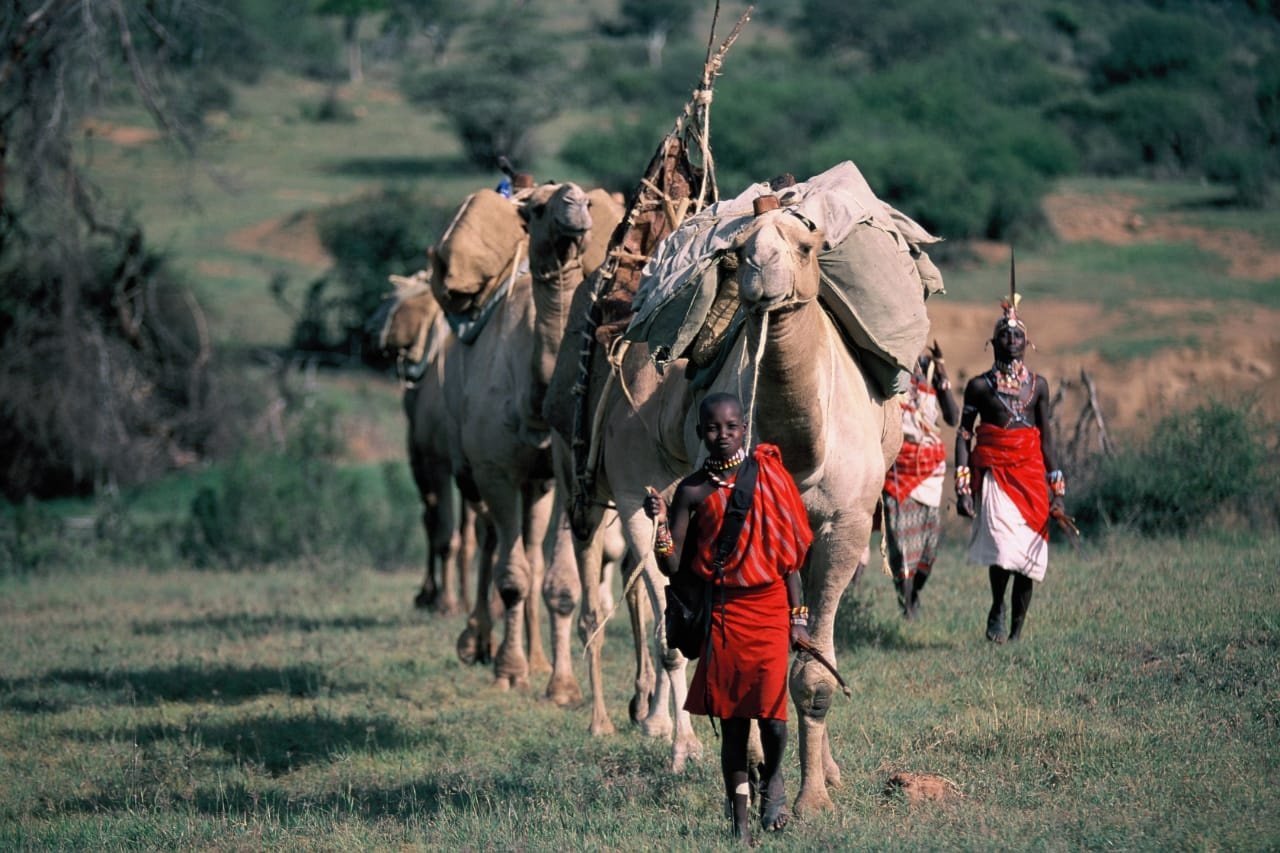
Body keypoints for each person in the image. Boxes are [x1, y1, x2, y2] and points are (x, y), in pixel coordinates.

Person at [643, 392, 813, 844]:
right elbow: (673, 565)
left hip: (772, 609)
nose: (723, 436)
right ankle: (739, 822)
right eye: (713, 428)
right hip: (724, 615)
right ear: (700, 432)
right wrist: (660, 526)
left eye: (732, 427)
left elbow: (788, 557)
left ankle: (774, 779)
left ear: (745, 428)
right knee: (734, 723)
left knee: (774, 718)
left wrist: (798, 618)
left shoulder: (769, 478)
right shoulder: (692, 490)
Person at [955, 291, 1065, 643]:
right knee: (1003, 551)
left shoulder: (1039, 387)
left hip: (1031, 477)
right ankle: (997, 607)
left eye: (1018, 335)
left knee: (1026, 562)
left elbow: (1047, 439)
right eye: (1005, 334)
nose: (1012, 340)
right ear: (993, 342)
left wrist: (1057, 490)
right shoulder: (978, 387)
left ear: (1027, 343)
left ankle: (1016, 634)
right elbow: (962, 436)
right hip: (996, 476)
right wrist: (963, 487)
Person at [882, 341, 959, 619]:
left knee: (928, 547)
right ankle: (907, 602)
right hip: (897, 470)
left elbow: (953, 417)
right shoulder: (887, 369)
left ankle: (914, 593)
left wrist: (942, 374)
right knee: (901, 545)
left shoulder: (929, 371)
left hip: (930, 472)